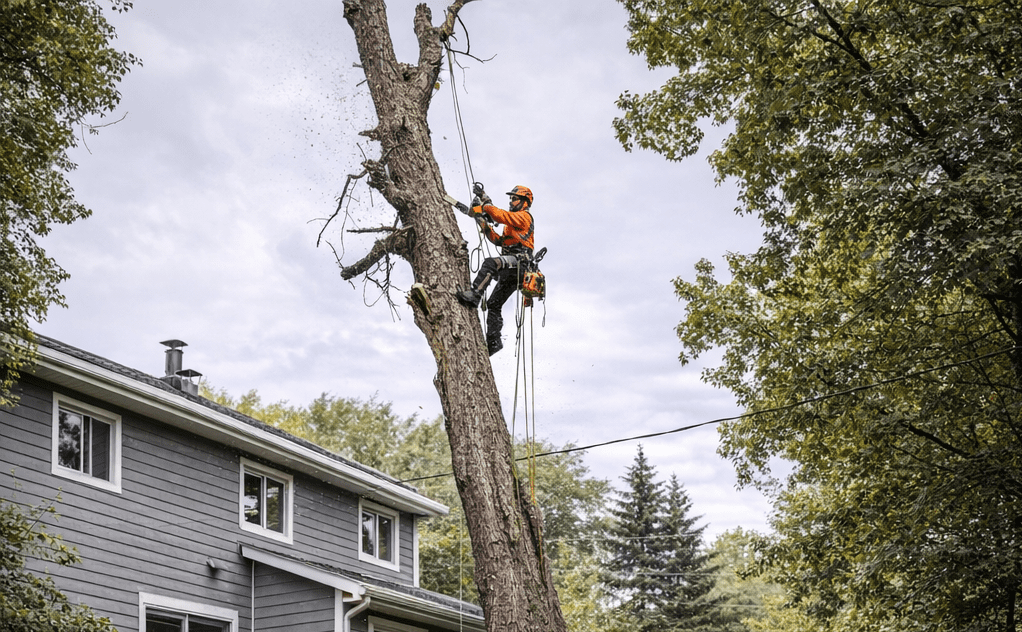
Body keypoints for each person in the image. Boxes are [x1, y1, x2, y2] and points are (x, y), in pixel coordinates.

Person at [456, 185, 535, 356]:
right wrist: (481, 221)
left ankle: (474, 295)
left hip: (520, 262)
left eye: (514, 199)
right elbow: (498, 240)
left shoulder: (524, 217)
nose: (511, 202)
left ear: (524, 201)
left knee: (491, 263)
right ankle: (494, 341)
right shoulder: (511, 225)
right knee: (493, 304)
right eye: (511, 199)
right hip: (511, 270)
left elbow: (499, 215)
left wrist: (483, 205)